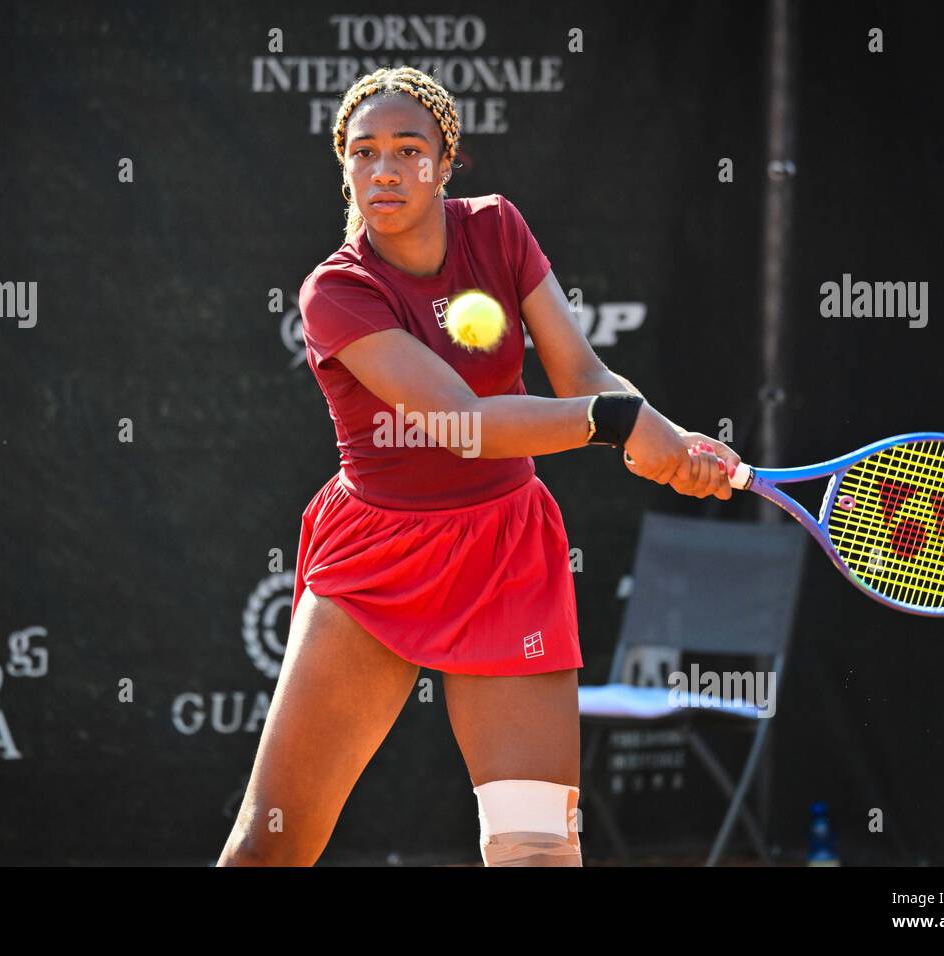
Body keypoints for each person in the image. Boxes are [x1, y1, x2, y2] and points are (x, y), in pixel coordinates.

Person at [217, 66, 738, 867]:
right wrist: (621, 424)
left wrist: (671, 438)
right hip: (375, 560)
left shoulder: (498, 229)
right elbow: (464, 425)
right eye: (363, 153)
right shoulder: (337, 290)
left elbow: (584, 374)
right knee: (269, 846)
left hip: (507, 558)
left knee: (537, 854)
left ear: (446, 162)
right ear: (344, 166)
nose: (383, 170)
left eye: (407, 150)